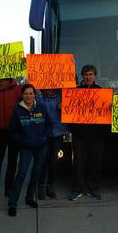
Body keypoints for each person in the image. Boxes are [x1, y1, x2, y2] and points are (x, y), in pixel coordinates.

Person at [7, 84, 51, 216]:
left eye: (31, 93)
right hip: (26, 147)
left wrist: (45, 137)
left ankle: (29, 197)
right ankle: (13, 203)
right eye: (26, 94)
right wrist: (22, 141)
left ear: (34, 94)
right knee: (21, 174)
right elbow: (12, 131)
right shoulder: (17, 111)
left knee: (36, 173)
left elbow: (49, 124)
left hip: (41, 146)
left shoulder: (41, 108)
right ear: (22, 95)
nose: (28, 96)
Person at [69, 65, 104, 201]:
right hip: (79, 134)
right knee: (78, 162)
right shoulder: (74, 92)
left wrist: (110, 106)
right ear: (82, 76)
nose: (88, 77)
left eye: (90, 74)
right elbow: (68, 109)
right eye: (85, 74)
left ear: (95, 76)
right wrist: (63, 106)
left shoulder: (101, 92)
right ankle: (77, 188)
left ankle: (93, 189)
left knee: (95, 162)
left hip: (96, 134)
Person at [0, 78, 23, 201]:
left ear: (9, 81)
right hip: (0, 133)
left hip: (14, 131)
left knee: (12, 161)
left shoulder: (17, 90)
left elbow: (29, 88)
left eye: (2, 81)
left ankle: (9, 187)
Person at [37, 89, 68, 199]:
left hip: (58, 133)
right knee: (43, 161)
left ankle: (50, 185)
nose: (48, 90)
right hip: (44, 134)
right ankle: (41, 186)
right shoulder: (39, 99)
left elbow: (72, 107)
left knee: (54, 161)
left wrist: (65, 107)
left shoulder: (62, 97)